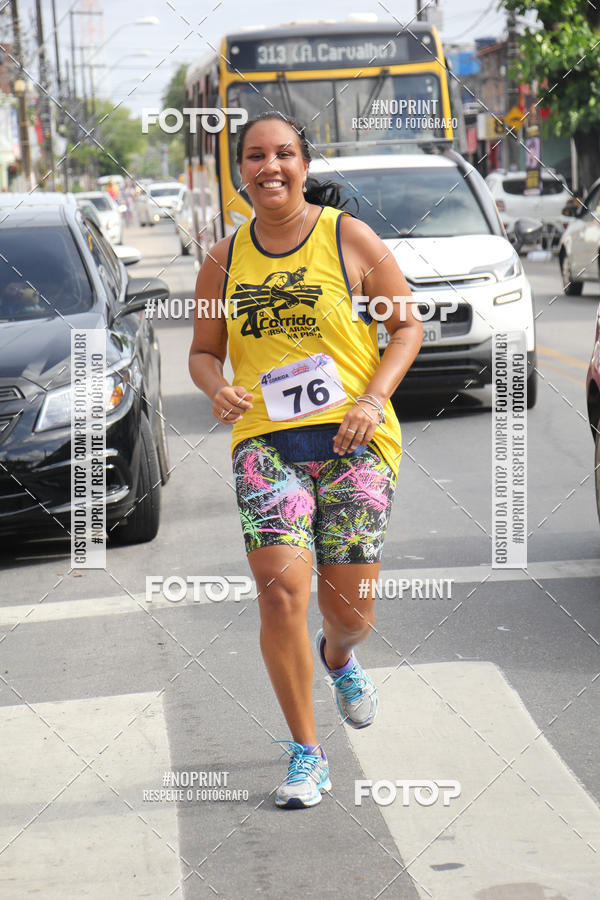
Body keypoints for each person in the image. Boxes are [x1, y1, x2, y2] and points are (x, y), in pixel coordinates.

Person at [189, 111, 423, 809]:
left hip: (355, 442)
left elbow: (405, 324)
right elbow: (203, 352)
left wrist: (373, 398)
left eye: (284, 154)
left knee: (349, 608)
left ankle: (340, 655)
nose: (271, 167)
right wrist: (217, 386)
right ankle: (306, 753)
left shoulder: (346, 236)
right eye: (256, 156)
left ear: (304, 163)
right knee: (281, 592)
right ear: (241, 171)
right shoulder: (222, 259)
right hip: (266, 446)